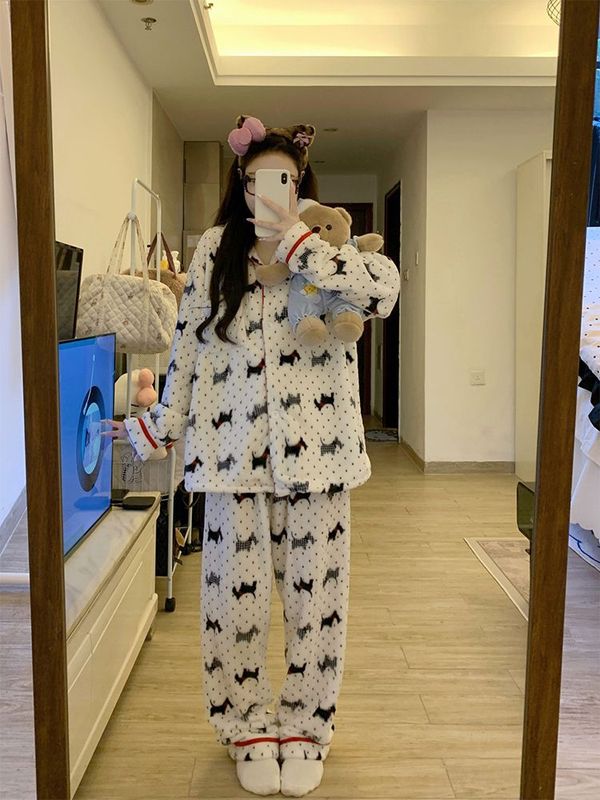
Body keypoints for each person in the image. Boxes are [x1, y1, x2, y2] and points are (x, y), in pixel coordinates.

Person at [103, 115, 400, 797]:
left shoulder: (330, 247)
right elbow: (188, 348)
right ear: (240, 186)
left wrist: (300, 243)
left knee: (316, 605)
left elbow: (382, 294)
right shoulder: (215, 249)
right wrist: (153, 430)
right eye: (258, 181)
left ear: (301, 185)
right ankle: (246, 728)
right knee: (232, 609)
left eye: (284, 181)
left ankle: (306, 728)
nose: (271, 191)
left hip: (319, 461)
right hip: (230, 459)